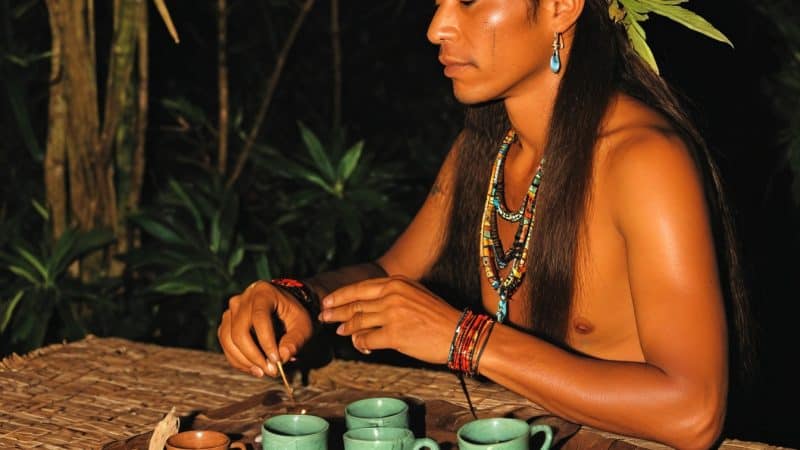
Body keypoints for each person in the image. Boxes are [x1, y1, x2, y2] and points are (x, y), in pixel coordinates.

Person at [218, 0, 754, 448]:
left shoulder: (645, 160)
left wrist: (464, 338)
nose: (437, 27)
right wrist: (298, 298)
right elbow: (391, 272)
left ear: (562, 6)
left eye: (470, 0)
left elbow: (694, 413)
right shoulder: (488, 150)